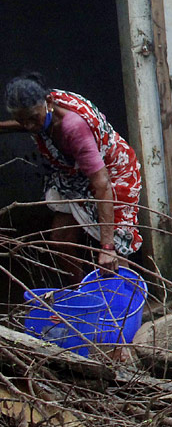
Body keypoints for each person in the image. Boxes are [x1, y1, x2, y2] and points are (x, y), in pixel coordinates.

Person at [2, 73, 142, 281]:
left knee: (116, 251)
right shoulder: (41, 108)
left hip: (112, 174)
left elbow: (102, 185)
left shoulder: (73, 127)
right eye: (22, 121)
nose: (29, 126)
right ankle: (81, 298)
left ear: (48, 102)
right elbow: (27, 121)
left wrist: (107, 247)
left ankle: (125, 305)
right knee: (61, 240)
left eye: (32, 119)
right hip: (76, 176)